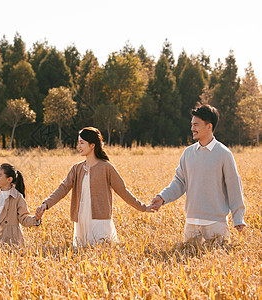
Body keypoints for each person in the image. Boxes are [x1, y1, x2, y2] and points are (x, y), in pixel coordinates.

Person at [35, 127, 155, 247]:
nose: (79, 146)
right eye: (78, 143)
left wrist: (143, 207)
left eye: (82, 143)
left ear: (92, 145)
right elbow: (63, 188)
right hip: (81, 221)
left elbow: (123, 191)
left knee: (102, 254)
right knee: (82, 256)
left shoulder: (106, 168)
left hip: (100, 221)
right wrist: (46, 204)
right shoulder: (76, 169)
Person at [151, 104, 246, 245]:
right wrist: (162, 197)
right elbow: (179, 182)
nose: (192, 129)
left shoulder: (224, 154)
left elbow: (234, 187)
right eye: (192, 124)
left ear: (209, 126)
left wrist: (238, 218)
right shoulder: (188, 153)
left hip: (216, 223)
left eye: (196, 125)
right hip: (191, 223)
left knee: (216, 263)